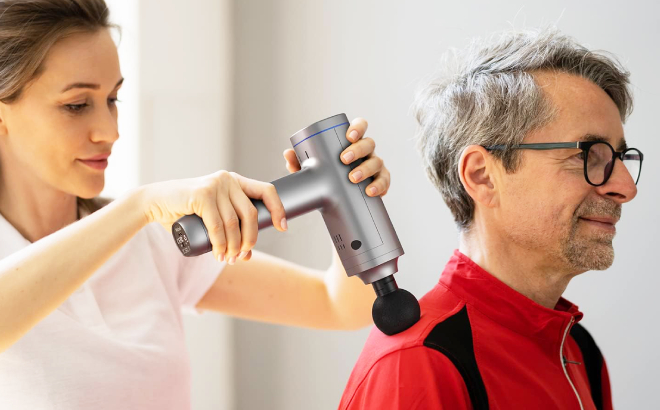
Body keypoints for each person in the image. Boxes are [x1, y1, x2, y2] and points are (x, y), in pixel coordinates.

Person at [0, 1, 392, 408]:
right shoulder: (139, 220)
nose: (110, 132)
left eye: (113, 99)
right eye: (76, 105)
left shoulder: (151, 244)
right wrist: (140, 206)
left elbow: (340, 307)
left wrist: (352, 197)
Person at [339, 28, 643, 410]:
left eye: (620, 158)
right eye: (588, 156)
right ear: (483, 175)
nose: (625, 187)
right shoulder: (419, 363)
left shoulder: (579, 350)